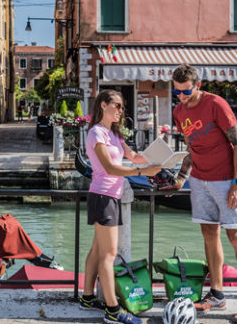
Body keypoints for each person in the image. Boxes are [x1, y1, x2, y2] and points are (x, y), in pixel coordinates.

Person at [166, 64, 237, 324]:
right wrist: (180, 179)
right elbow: (192, 149)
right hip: (199, 180)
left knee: (236, 235)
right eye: (176, 92)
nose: (181, 97)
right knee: (209, 233)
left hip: (225, 181)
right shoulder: (178, 111)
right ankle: (217, 294)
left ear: (197, 85)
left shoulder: (216, 104)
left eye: (185, 92)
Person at [79, 89, 161, 324]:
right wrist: (143, 172)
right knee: (108, 255)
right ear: (103, 105)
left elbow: (134, 157)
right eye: (117, 105)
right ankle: (113, 310)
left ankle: (87, 297)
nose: (121, 110)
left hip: (111, 196)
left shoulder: (114, 133)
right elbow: (111, 169)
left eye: (122, 107)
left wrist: (160, 156)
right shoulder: (96, 134)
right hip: (103, 196)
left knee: (97, 249)